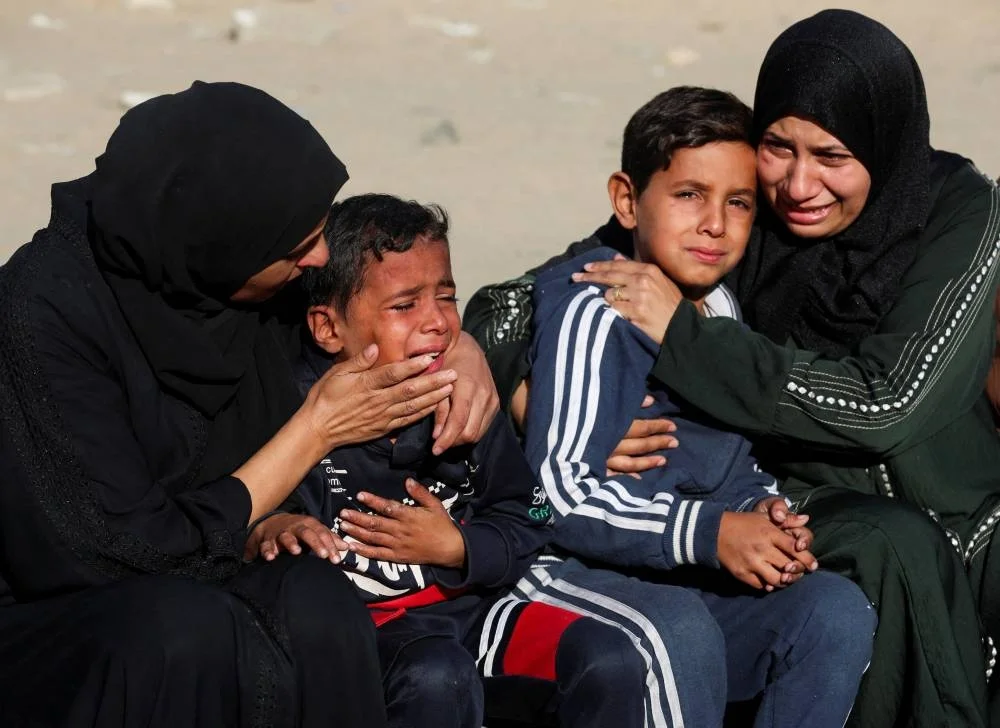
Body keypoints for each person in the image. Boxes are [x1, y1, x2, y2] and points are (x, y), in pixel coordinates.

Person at [464, 10, 1000, 728]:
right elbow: (568, 282)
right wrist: (522, 393)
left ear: (886, 144)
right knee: (880, 556)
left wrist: (688, 342)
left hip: (956, 506)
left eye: (833, 156)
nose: (799, 185)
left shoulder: (959, 215)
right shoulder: (735, 215)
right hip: (794, 492)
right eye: (778, 147)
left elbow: (888, 410)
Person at [0, 81, 499, 728]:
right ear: (220, 238)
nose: (317, 258)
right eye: (296, 247)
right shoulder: (41, 315)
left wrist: (464, 349)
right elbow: (118, 551)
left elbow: (392, 294)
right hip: (68, 614)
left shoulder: (244, 283)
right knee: (181, 626)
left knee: (314, 597)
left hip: (203, 569)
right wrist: (315, 430)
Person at [515, 85, 873, 728]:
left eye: (737, 203)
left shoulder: (718, 312)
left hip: (676, 570)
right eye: (688, 195)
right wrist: (710, 534)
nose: (715, 223)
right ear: (627, 200)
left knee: (833, 612)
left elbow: (726, 463)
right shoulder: (597, 311)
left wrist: (758, 514)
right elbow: (551, 500)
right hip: (563, 573)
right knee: (676, 632)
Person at [250, 193, 648, 728]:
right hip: (368, 641)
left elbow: (528, 517)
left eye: (447, 297)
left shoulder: (464, 401)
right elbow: (249, 517)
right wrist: (280, 525)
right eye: (404, 305)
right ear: (328, 329)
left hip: (472, 615)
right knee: (437, 675)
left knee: (610, 658)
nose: (438, 322)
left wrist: (458, 547)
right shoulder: (293, 413)